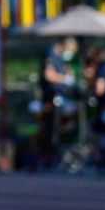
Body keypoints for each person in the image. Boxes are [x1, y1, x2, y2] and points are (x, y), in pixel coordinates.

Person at [35, 37, 77, 170]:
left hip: (59, 98)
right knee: (51, 130)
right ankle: (49, 158)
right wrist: (64, 78)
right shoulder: (50, 54)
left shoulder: (59, 58)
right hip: (52, 99)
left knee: (61, 126)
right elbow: (49, 75)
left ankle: (54, 155)